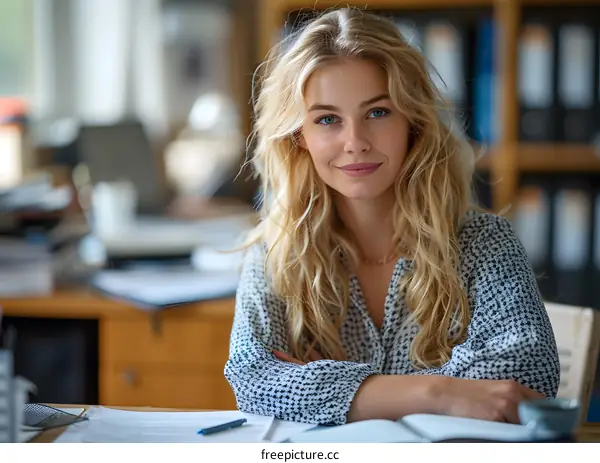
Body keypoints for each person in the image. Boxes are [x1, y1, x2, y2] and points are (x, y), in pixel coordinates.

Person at [224, 7, 560, 426]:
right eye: (328, 119)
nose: (355, 142)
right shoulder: (276, 255)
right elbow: (253, 381)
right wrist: (439, 392)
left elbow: (530, 372)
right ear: (299, 138)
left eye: (378, 112)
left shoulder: (485, 242)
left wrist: (323, 385)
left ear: (412, 122)